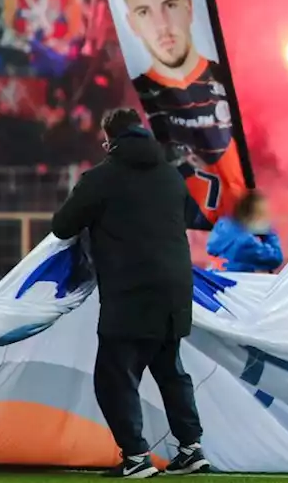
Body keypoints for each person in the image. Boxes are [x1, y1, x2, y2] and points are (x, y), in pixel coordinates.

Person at [51, 108, 209, 478]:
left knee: (114, 376)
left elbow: (62, 226)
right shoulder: (172, 177)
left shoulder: (102, 178)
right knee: (171, 370)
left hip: (129, 292)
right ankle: (191, 448)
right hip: (174, 291)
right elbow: (188, 217)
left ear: (110, 139)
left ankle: (136, 457)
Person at [119, 0, 244, 224]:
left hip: (239, 233)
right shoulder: (134, 103)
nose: (162, 25)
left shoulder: (234, 83)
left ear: (188, 8)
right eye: (144, 12)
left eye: (170, 6)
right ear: (132, 24)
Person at [206, 189, 284, 273]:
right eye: (263, 215)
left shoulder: (223, 230)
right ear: (251, 216)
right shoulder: (246, 243)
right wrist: (270, 233)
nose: (268, 220)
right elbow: (276, 259)